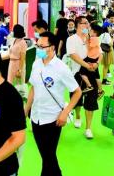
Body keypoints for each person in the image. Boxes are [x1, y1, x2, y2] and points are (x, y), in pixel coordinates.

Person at [26, 31, 80, 176]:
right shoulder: (36, 64)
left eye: (42, 46)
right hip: (36, 117)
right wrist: (26, 110)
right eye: (37, 45)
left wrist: (65, 112)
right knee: (46, 157)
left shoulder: (61, 68)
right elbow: (33, 88)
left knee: (48, 156)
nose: (38, 49)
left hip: (53, 119)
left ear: (52, 47)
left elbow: (77, 92)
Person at [65, 16, 99, 139]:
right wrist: (86, 65)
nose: (87, 25)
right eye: (85, 23)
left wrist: (97, 63)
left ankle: (88, 128)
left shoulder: (91, 38)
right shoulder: (71, 39)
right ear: (78, 25)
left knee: (91, 99)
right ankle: (78, 115)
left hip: (92, 72)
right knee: (77, 97)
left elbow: (99, 52)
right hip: (77, 72)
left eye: (88, 23)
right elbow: (72, 55)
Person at [7, 24, 29, 92]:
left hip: (18, 64)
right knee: (10, 83)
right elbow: (10, 53)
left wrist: (20, 70)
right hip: (11, 64)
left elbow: (22, 58)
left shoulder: (23, 43)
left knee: (18, 85)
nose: (12, 32)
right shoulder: (14, 40)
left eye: (13, 30)